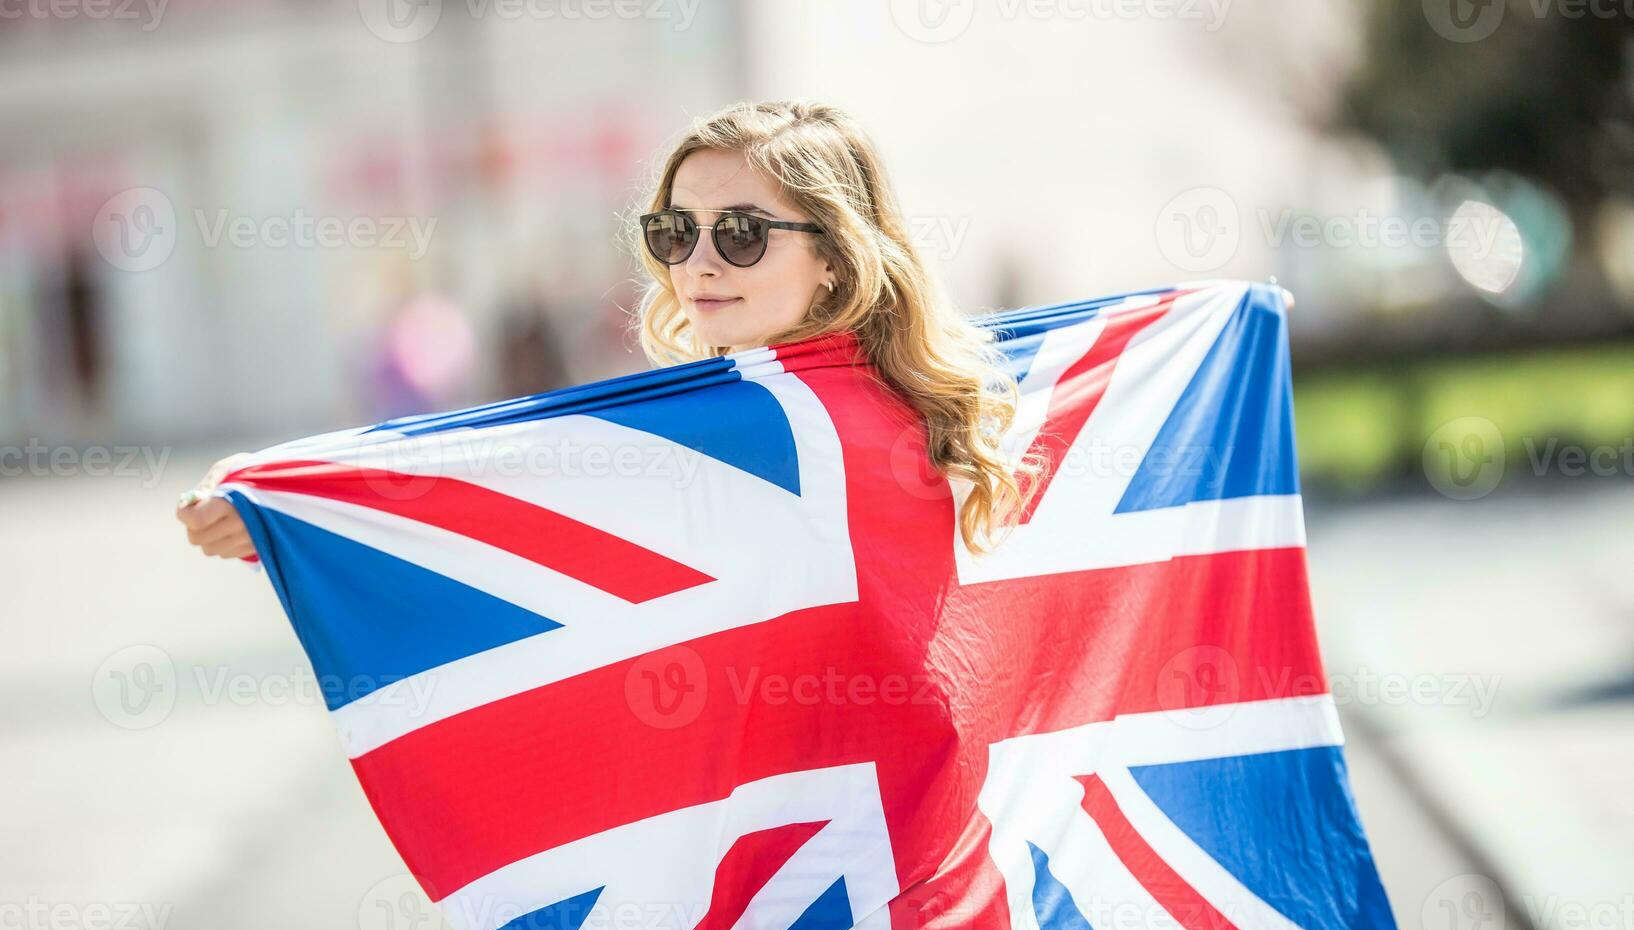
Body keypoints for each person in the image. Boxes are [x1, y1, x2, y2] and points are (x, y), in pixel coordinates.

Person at [175, 98, 1291, 560]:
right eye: (674, 229)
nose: (698, 261)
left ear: (835, 253)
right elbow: (525, 475)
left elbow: (518, 483)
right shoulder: (783, 407)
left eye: (744, 233)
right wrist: (295, 508)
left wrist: (303, 515)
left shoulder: (817, 425)